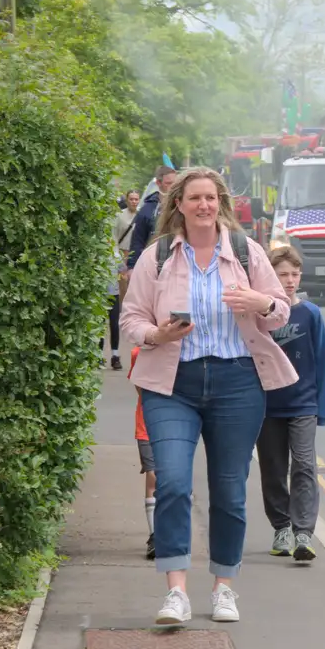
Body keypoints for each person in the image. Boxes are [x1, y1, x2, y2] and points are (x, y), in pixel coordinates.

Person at [120, 166, 297, 625]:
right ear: (178, 204)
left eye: (211, 198)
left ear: (222, 204)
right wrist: (156, 334)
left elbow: (281, 311)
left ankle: (223, 588)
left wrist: (260, 304)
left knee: (229, 491)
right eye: (195, 198)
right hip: (172, 385)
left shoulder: (245, 252)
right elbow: (130, 319)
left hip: (238, 382)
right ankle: (176, 592)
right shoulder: (157, 257)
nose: (204, 205)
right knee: (174, 483)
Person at [255, 244, 325, 564]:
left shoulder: (310, 314)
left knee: (304, 464)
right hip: (268, 406)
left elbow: (322, 361)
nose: (289, 281)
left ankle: (303, 533)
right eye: (282, 274)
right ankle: (281, 527)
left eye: (294, 275)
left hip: (303, 404)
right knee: (273, 469)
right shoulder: (259, 315)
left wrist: (321, 407)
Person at [128, 345, 157, 559]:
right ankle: (155, 535)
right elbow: (139, 388)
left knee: (174, 479)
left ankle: (172, 532)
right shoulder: (138, 353)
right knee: (153, 475)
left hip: (180, 425)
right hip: (147, 424)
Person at [126, 165, 177, 271]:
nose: (173, 187)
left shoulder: (184, 207)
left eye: (175, 183)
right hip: (152, 265)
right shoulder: (147, 210)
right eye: (168, 183)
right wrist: (132, 267)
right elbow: (138, 240)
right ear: (159, 183)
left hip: (178, 264)